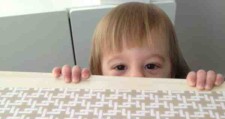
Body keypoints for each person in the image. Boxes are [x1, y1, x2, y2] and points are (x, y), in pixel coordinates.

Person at [52, 2, 224, 90]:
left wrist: (205, 89)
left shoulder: (181, 98)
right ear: (99, 70)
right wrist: (74, 85)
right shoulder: (99, 96)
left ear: (172, 69)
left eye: (151, 66)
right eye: (120, 67)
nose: (137, 77)